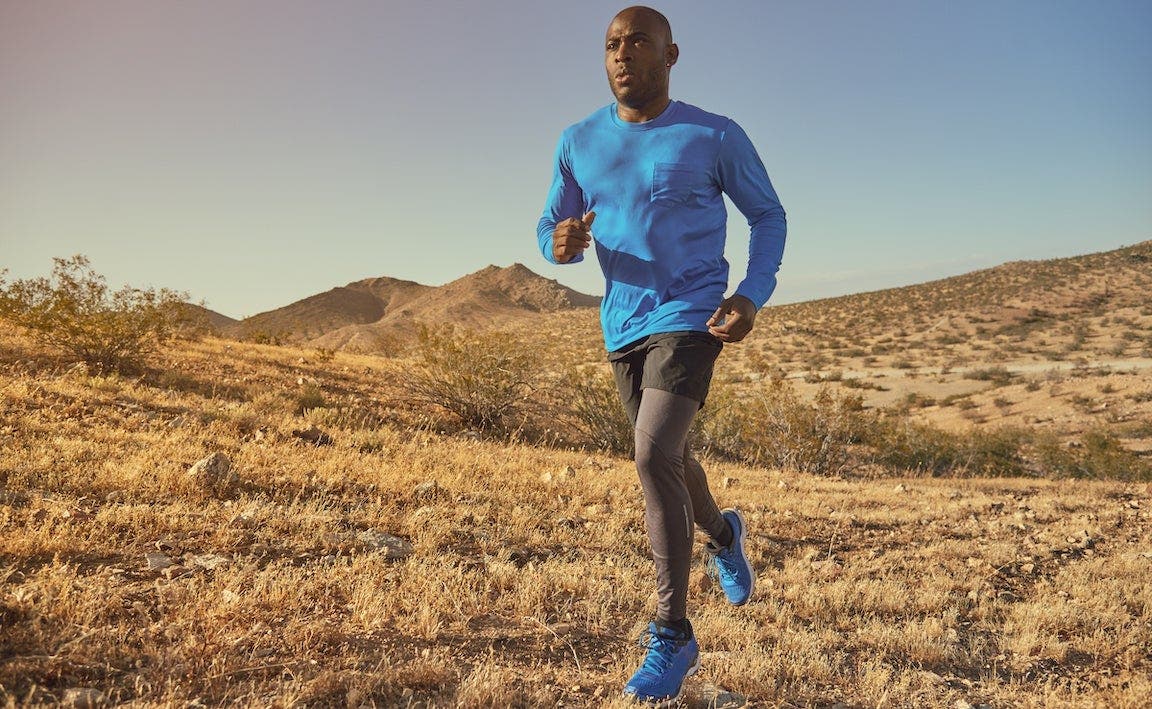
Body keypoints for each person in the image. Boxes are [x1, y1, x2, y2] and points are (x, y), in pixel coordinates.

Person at [536, 5, 787, 705]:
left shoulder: (713, 134)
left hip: (692, 314)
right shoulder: (577, 140)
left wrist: (751, 293)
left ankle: (672, 633)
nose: (622, 53)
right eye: (612, 44)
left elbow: (768, 214)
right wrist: (556, 240)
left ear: (671, 55)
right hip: (623, 324)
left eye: (638, 41)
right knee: (670, 455)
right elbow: (549, 220)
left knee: (651, 453)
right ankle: (722, 532)